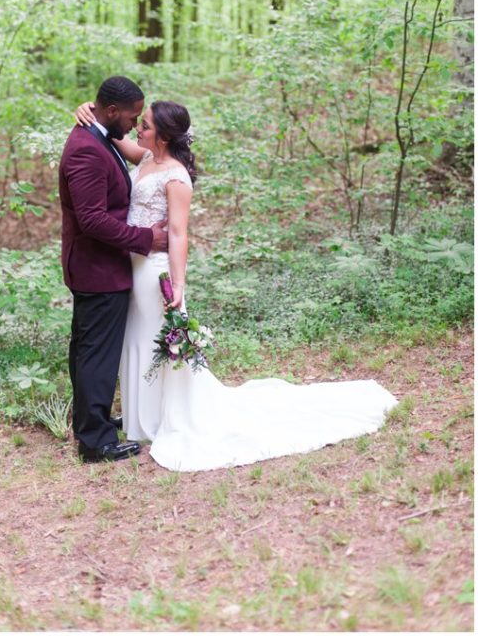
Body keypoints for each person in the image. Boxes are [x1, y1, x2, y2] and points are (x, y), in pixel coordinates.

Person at [75, 98, 397, 471]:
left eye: (144, 125)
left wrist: (178, 284)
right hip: (133, 264)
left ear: (162, 136)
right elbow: (115, 136)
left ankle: (164, 419)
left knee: (153, 339)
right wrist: (90, 111)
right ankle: (141, 419)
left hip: (156, 272)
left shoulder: (176, 176)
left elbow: (179, 234)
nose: (137, 129)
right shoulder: (147, 158)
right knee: (138, 340)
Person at [59, 76, 169, 464]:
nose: (134, 123)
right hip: (97, 267)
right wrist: (146, 239)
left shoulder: (99, 135)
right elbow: (91, 219)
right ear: (111, 111)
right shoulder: (86, 149)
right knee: (95, 354)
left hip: (99, 266)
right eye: (131, 116)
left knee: (89, 350)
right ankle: (95, 441)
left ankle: (94, 420)